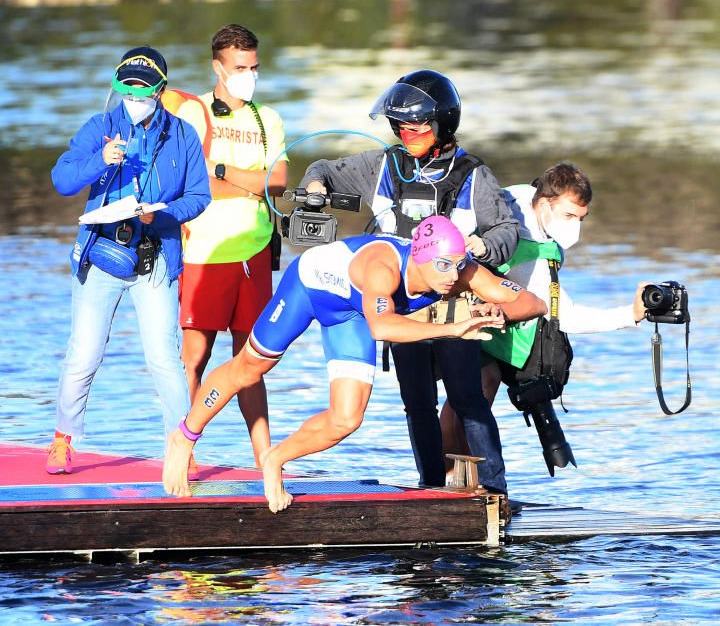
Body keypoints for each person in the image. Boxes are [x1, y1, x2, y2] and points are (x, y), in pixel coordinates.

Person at [161, 216, 546, 512]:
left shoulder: (461, 272)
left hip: (353, 314)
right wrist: (456, 328)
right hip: (311, 288)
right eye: (443, 266)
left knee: (347, 419)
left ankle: (275, 458)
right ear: (420, 257)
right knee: (251, 367)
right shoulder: (383, 267)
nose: (452, 276)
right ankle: (185, 436)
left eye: (459, 265)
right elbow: (381, 327)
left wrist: (497, 309)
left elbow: (533, 302)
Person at [298, 70, 519, 496]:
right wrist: (315, 185)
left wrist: (483, 246)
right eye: (400, 126)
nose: (407, 133)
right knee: (417, 402)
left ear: (443, 125)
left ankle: (495, 490)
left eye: (417, 127)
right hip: (400, 300)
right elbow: (323, 167)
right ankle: (430, 488)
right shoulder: (383, 164)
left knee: (466, 398)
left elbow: (507, 230)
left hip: (454, 297)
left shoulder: (474, 175)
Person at [47, 46, 211, 474]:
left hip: (154, 259)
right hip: (100, 255)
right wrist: (98, 161)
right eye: (128, 90)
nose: (135, 99)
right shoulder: (99, 127)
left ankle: (181, 447)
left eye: (143, 92)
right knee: (83, 353)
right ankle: (64, 439)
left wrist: (164, 213)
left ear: (160, 91)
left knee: (164, 357)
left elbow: (199, 195)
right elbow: (62, 179)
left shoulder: (181, 135)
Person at [440, 163, 648, 473]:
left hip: (492, 318)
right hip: (453, 306)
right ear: (545, 201)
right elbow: (567, 317)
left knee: (479, 392)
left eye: (581, 218)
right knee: (475, 394)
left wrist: (630, 315)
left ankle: (460, 482)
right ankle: (451, 482)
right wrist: (630, 315)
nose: (575, 226)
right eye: (568, 216)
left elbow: (559, 312)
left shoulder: (531, 214)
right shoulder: (516, 214)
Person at [173, 24, 289, 469]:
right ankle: (186, 450)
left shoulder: (267, 118)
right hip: (203, 252)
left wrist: (222, 171)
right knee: (194, 360)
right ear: (217, 67)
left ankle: (265, 460)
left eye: (254, 67)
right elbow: (192, 183)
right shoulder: (193, 114)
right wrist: (246, 183)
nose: (249, 76)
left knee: (252, 362)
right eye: (240, 68)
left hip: (254, 253)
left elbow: (276, 182)